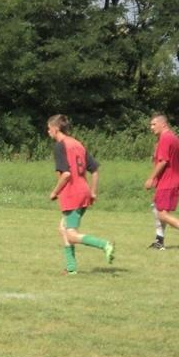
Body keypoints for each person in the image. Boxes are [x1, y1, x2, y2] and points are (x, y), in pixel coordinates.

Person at [46, 114, 114, 274]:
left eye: (49, 129)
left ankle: (104, 244)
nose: (48, 132)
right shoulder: (77, 144)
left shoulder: (60, 146)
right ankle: (71, 268)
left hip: (72, 194)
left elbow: (66, 174)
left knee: (71, 234)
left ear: (55, 129)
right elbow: (95, 170)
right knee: (63, 228)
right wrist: (93, 192)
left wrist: (54, 192)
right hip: (83, 191)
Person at [145, 114, 179, 250]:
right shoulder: (176, 140)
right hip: (173, 180)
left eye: (154, 124)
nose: (151, 128)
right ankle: (159, 241)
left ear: (163, 124)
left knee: (162, 213)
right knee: (157, 209)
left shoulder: (165, 139)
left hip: (168, 181)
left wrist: (151, 178)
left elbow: (163, 161)